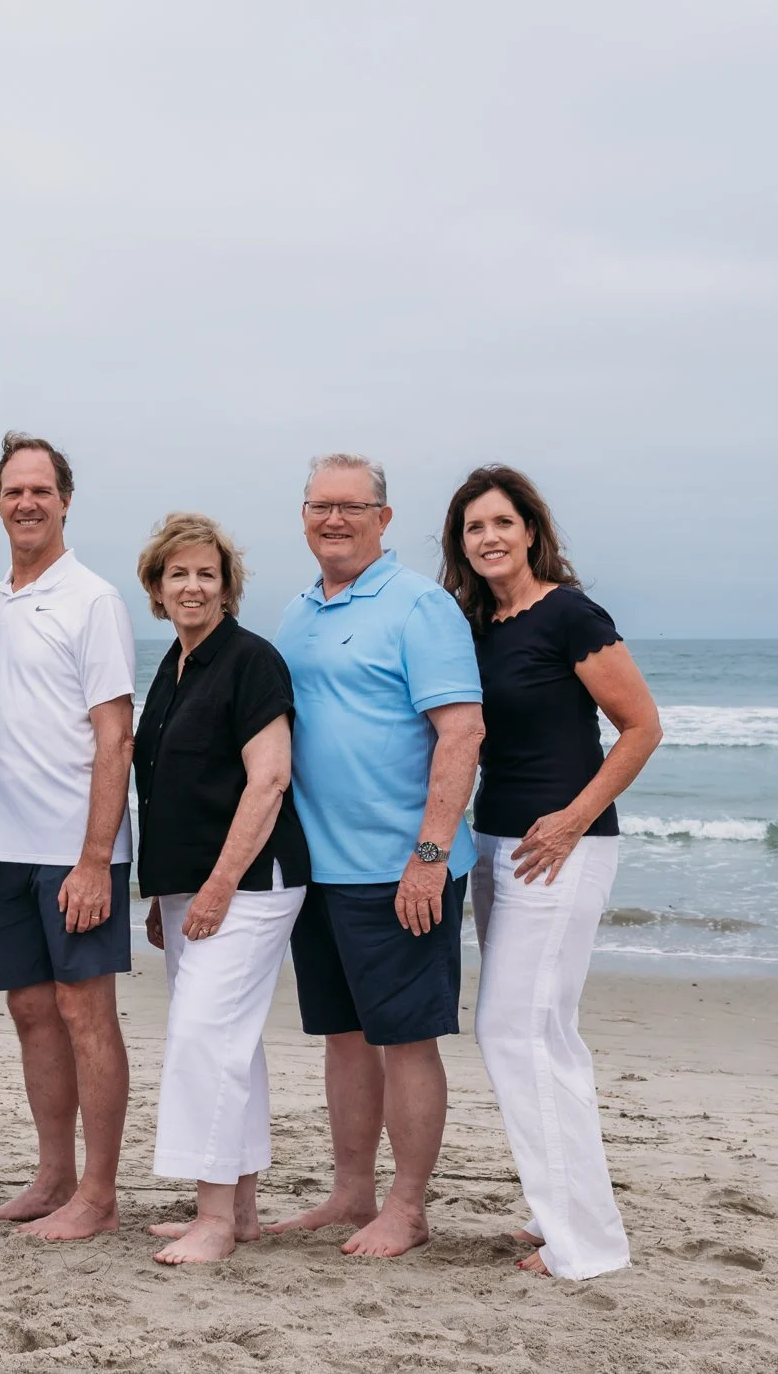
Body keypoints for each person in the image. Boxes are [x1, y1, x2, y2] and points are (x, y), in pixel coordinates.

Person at [439, 464, 661, 1279]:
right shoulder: (477, 625)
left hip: (564, 848)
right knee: (544, 1034)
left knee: (516, 1029)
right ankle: (561, 1212)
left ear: (531, 529)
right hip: (500, 846)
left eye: (502, 521)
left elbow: (641, 727)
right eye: (473, 527)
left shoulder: (570, 612)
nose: (489, 537)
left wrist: (572, 819)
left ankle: (587, 1245)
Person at [265, 453, 484, 1259]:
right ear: (303, 515)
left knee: (404, 1039)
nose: (334, 519)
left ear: (383, 518)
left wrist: (428, 855)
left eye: (352, 506)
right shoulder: (293, 613)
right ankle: (352, 1190)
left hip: (400, 870)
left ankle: (408, 1204)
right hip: (317, 869)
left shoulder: (421, 606)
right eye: (320, 504)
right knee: (345, 1037)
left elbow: (462, 731)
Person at [0, 433, 136, 1242]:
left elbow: (116, 735)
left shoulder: (93, 599)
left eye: (41, 489)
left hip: (79, 851)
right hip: (7, 848)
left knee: (85, 1012)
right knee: (32, 1010)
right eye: (13, 490)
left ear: (66, 499)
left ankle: (98, 1195)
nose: (27, 502)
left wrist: (97, 858)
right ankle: (53, 1176)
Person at [131, 513, 311, 1266]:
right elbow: (172, 787)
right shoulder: (174, 666)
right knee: (229, 1044)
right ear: (157, 586)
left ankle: (210, 1217)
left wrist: (216, 886)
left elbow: (269, 778)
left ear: (228, 586)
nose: (193, 585)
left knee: (205, 1038)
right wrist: (163, 894)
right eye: (179, 573)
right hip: (189, 888)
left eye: (207, 573)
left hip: (250, 884)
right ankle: (239, 1209)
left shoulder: (250, 661)